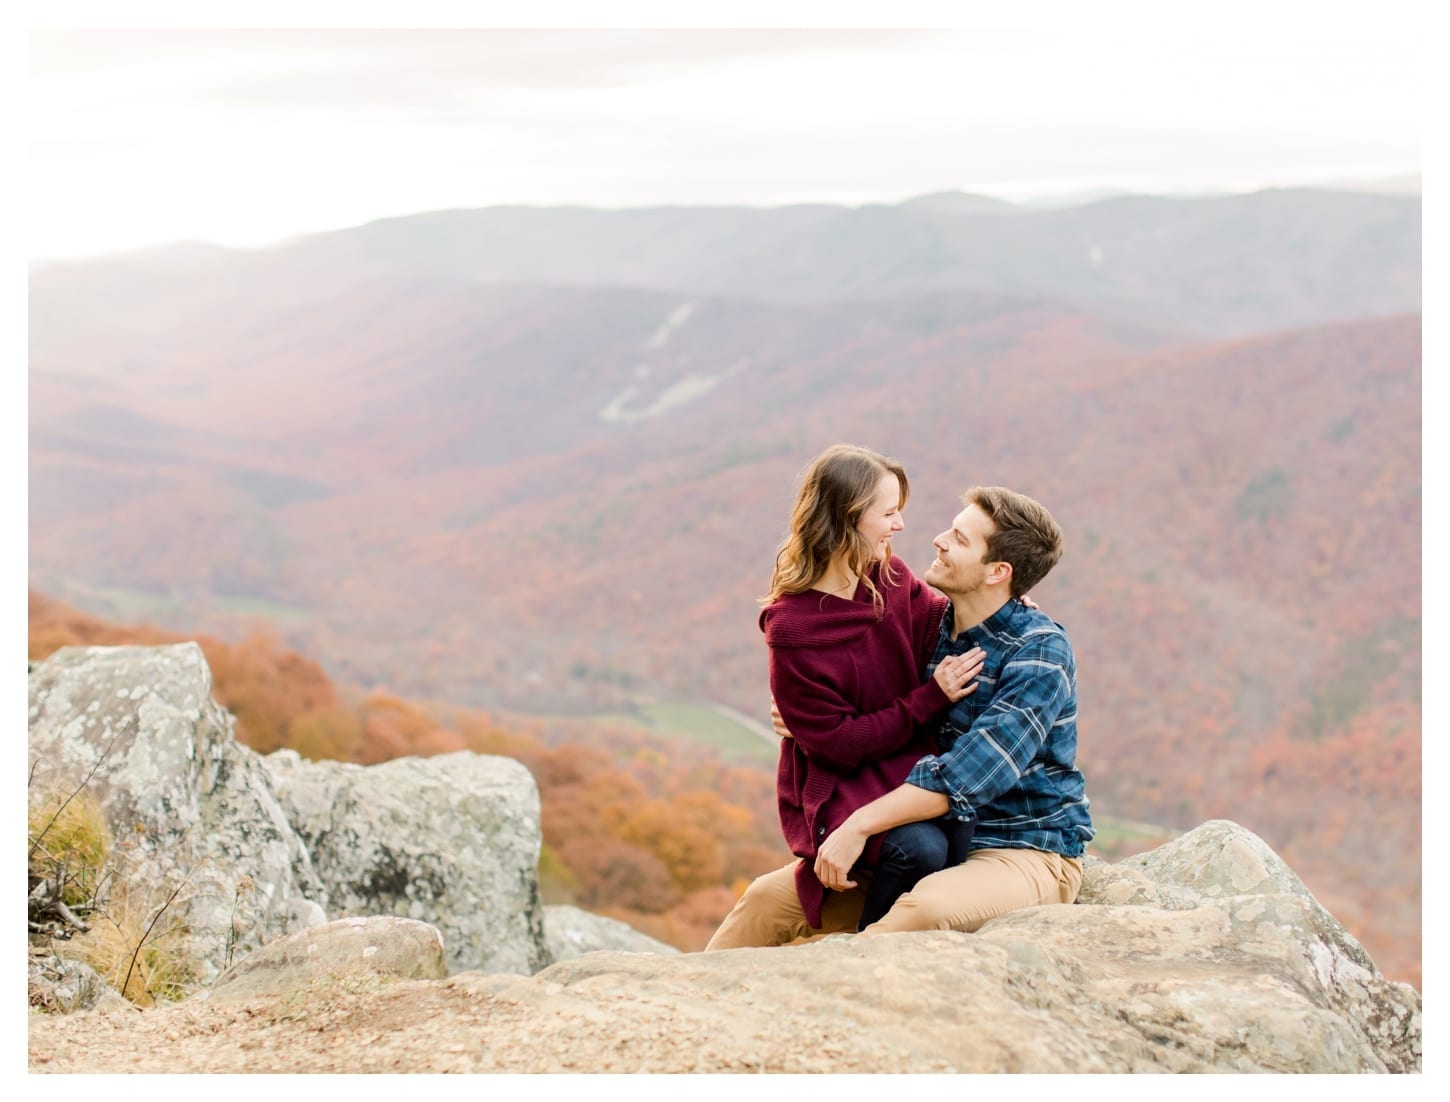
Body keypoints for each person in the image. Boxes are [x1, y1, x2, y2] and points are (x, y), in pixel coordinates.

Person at [706, 484, 1092, 948]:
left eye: (960, 539)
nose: (939, 540)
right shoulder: (934, 625)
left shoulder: (1039, 652)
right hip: (926, 841)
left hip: (1022, 849)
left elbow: (964, 777)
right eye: (951, 528)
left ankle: (822, 993)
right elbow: (861, 691)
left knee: (921, 910)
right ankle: (678, 1007)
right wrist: (805, 721)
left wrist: (858, 825)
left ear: (998, 572)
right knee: (766, 902)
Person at [725, 443, 988, 941]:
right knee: (921, 848)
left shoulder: (887, 576)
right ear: (849, 518)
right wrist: (930, 697)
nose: (900, 526)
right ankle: (864, 950)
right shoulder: (794, 628)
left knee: (960, 831)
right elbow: (840, 746)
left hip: (906, 760)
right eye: (889, 513)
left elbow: (938, 620)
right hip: (846, 779)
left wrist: (1001, 605)